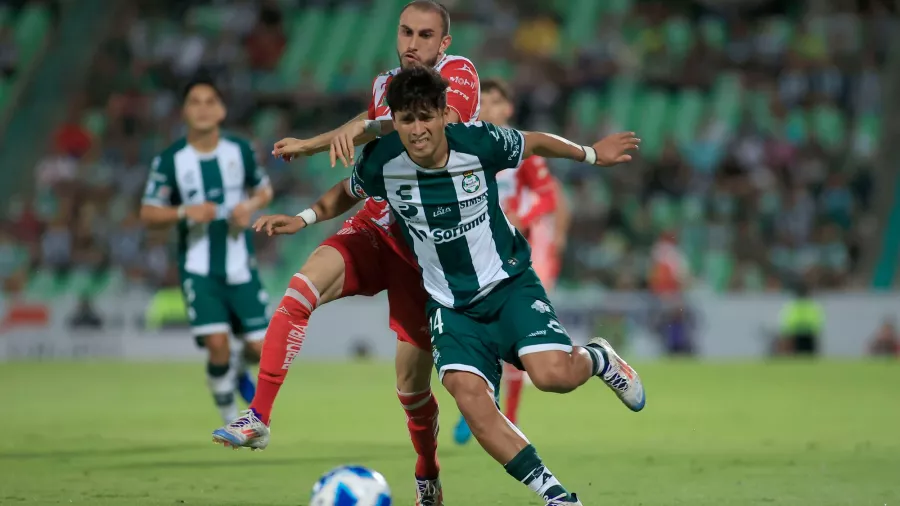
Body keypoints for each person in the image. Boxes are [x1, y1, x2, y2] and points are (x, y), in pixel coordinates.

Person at [212, 2, 478, 504]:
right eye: (405, 32)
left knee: (412, 389)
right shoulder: (384, 85)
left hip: (429, 253)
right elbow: (374, 120)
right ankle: (258, 418)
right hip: (376, 223)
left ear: (443, 43)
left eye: (425, 35)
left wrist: (334, 138)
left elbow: (426, 124)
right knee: (298, 291)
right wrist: (312, 179)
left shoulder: (458, 75)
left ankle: (427, 474)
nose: (413, 43)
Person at [347, 66, 644, 506]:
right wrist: (305, 218)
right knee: (472, 402)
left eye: (425, 117)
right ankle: (557, 496)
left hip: (507, 284)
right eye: (405, 120)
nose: (416, 129)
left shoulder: (480, 141)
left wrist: (591, 155)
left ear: (445, 115)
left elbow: (536, 146)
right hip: (450, 305)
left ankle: (599, 357)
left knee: (553, 377)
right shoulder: (383, 161)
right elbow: (346, 188)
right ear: (395, 120)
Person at [140, 76, 274, 424]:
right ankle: (231, 419)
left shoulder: (240, 151)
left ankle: (235, 370)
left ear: (222, 109)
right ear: (184, 111)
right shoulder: (170, 160)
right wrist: (185, 211)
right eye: (194, 102)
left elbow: (264, 190)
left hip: (240, 265)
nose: (202, 108)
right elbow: (148, 213)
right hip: (198, 269)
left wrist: (249, 206)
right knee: (217, 344)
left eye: (209, 101)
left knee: (260, 349)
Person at [453, 78, 571, 444]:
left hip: (523, 254)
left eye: (494, 101)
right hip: (478, 253)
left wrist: (521, 213)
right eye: (481, 101)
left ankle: (507, 415)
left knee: (517, 338)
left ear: (508, 109)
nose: (487, 107)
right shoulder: (465, 146)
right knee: (472, 334)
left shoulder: (519, 148)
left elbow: (548, 196)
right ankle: (481, 405)